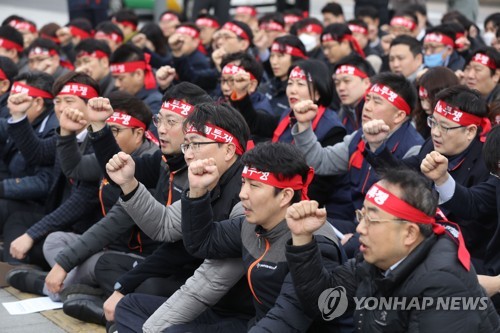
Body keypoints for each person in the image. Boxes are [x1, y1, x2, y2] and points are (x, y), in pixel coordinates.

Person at [285, 167, 500, 332]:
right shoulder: (374, 260)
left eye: (372, 220)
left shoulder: (442, 284)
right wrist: (303, 238)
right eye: (362, 216)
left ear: (409, 233)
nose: (360, 228)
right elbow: (325, 307)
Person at [104, 102, 255, 332]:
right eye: (187, 146)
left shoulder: (247, 196)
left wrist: (152, 329)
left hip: (244, 316)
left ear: (228, 150)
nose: (189, 155)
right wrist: (129, 184)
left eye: (197, 145)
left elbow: (209, 282)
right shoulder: (208, 180)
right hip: (214, 306)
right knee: (129, 306)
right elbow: (164, 225)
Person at [176, 141, 349, 332]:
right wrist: (197, 192)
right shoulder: (253, 224)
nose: (242, 194)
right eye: (243, 183)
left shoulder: (313, 242)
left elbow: (286, 320)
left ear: (285, 196)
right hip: (257, 323)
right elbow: (202, 243)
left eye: (255, 186)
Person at [364, 85, 492, 271]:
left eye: (445, 127)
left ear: (470, 131)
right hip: (426, 240)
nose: (435, 132)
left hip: (468, 255)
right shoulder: (433, 144)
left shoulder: (487, 161)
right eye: (434, 122)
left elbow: (473, 208)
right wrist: (378, 146)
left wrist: (442, 179)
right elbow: (402, 174)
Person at [109, 44, 162, 123]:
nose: (116, 84)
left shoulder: (155, 104)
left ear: (138, 74)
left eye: (120, 78)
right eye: (115, 79)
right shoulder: (127, 99)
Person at [258, 35, 307, 115]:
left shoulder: (301, 93)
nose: (274, 62)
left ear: (296, 59)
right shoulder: (265, 88)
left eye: (280, 56)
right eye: (272, 56)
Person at [414, 66, 460, 139]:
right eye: (422, 99)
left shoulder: (457, 127)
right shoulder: (421, 119)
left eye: (430, 101)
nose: (424, 106)